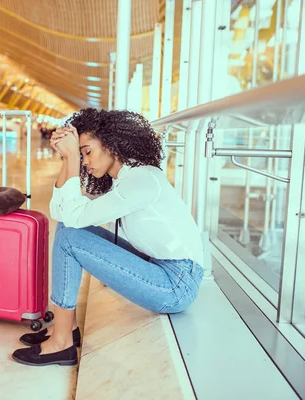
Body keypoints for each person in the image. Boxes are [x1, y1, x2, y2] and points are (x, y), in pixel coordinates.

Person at [11, 108, 204, 367]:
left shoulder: (142, 180)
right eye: (81, 155)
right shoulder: (125, 179)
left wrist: (71, 156)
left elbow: (75, 216)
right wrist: (68, 160)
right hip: (159, 267)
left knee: (71, 239)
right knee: (69, 231)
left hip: (175, 284)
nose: (85, 161)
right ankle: (67, 329)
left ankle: (61, 343)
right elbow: (63, 214)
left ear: (112, 145)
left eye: (87, 152)